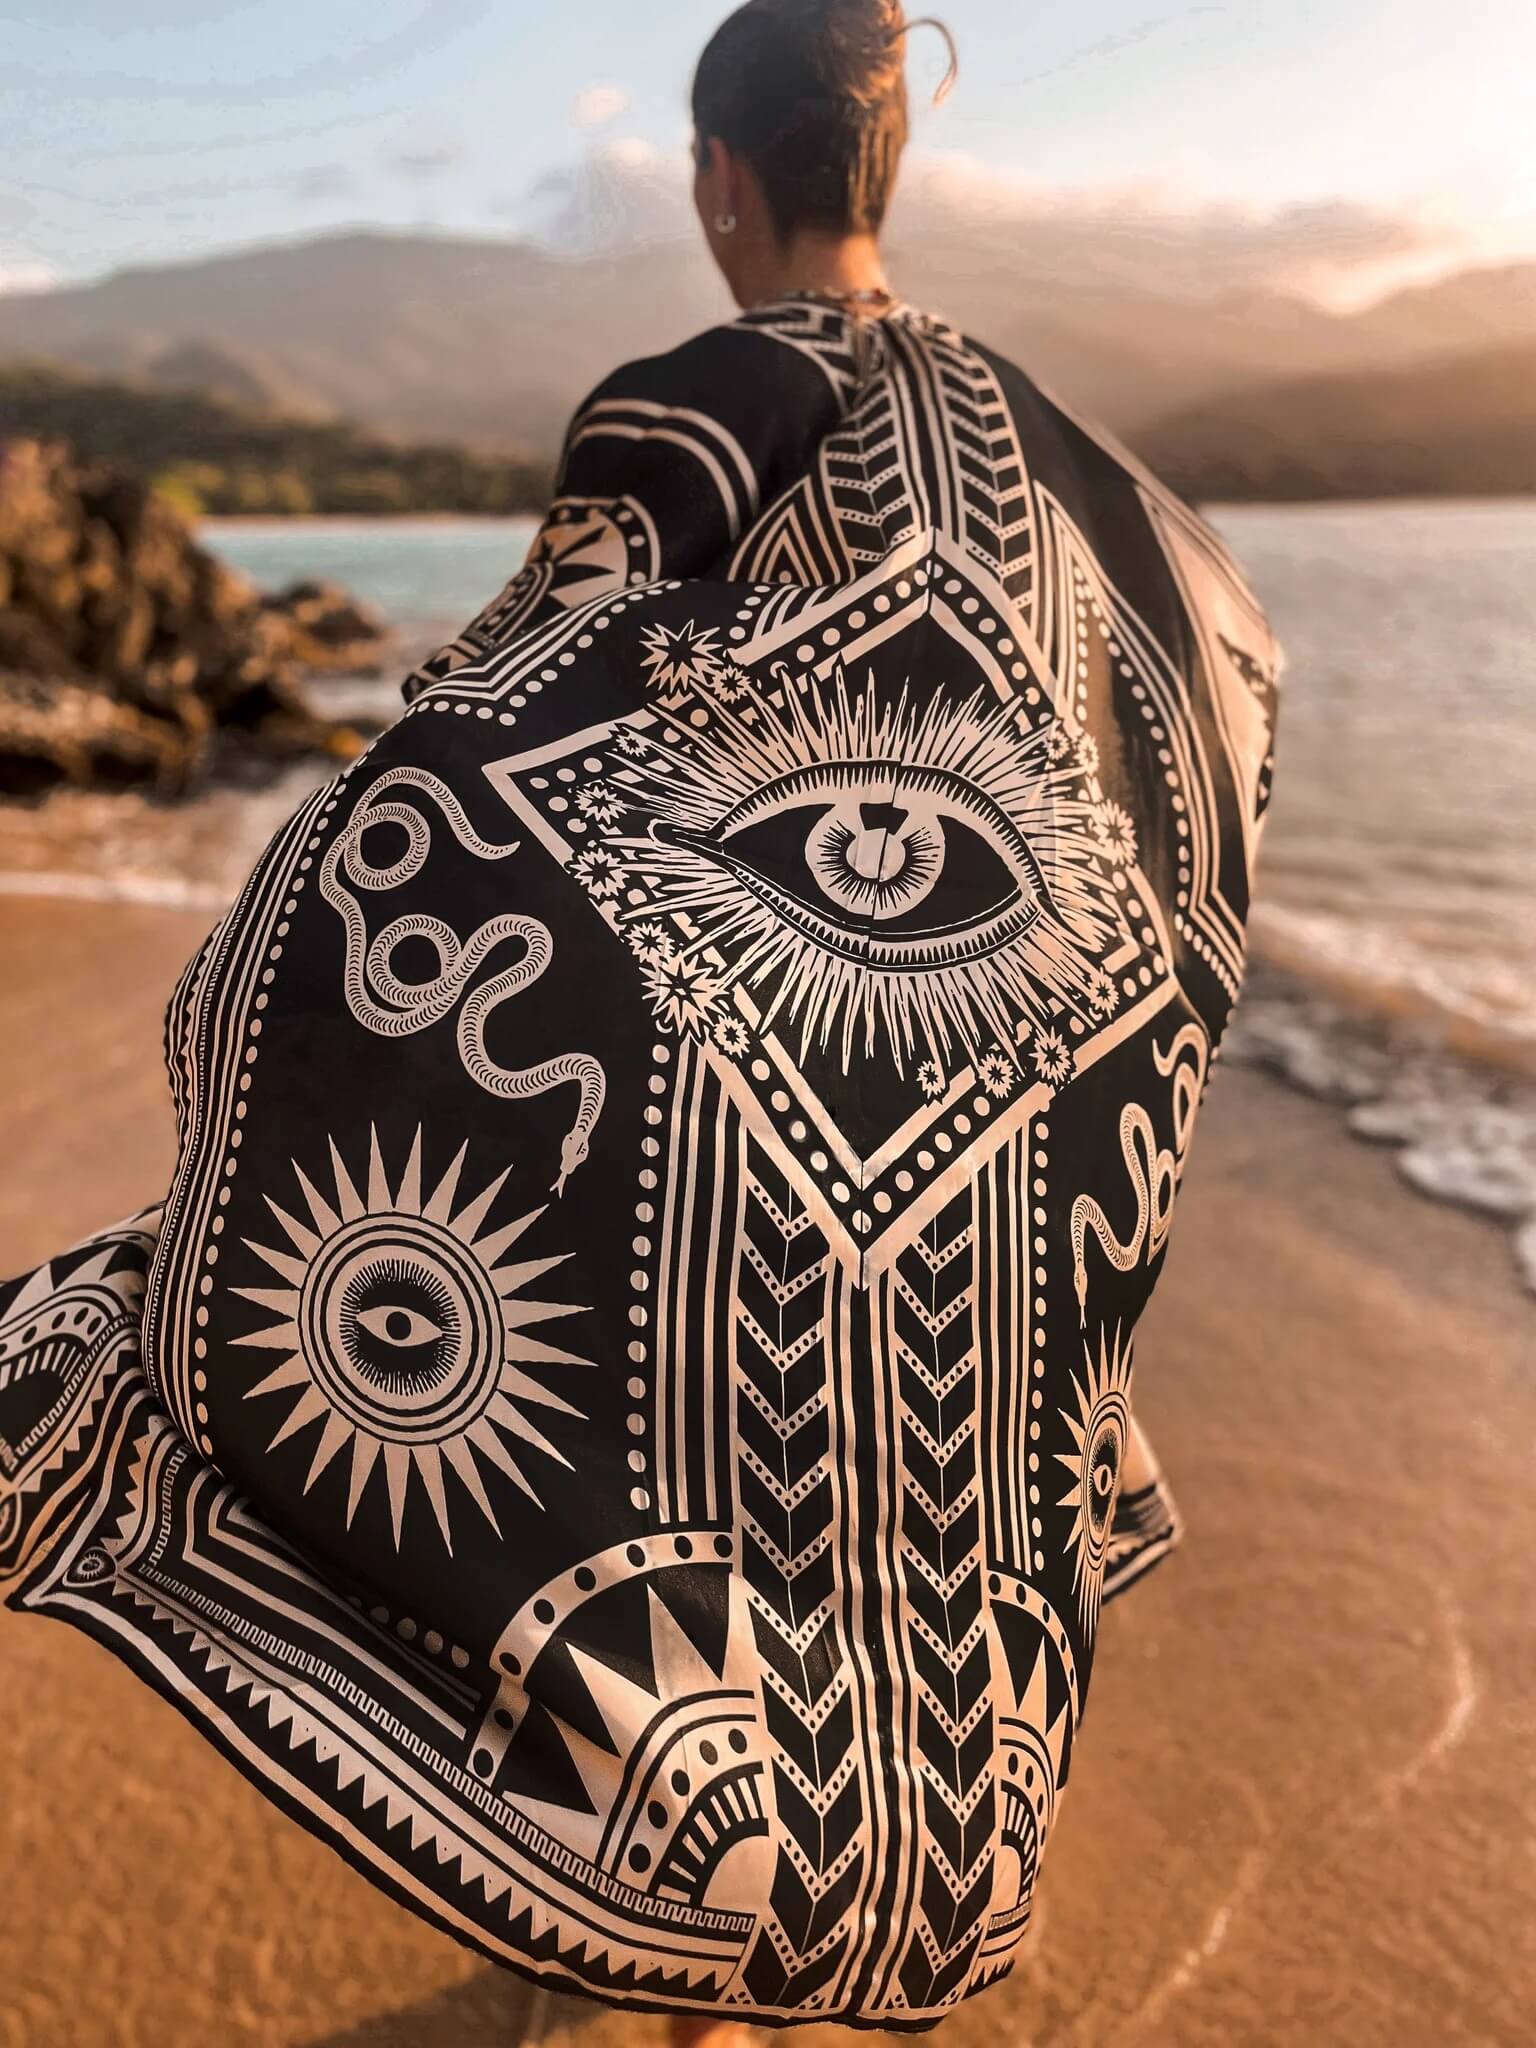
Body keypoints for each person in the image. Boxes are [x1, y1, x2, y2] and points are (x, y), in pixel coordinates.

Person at [0, 0, 1279, 2035]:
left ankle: (628, 1940)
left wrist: (290, 951)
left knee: (639, 1473)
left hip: (739, 1117)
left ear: (718, 180)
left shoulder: (704, 401)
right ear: (885, 166)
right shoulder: (1088, 483)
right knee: (860, 1527)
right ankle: (766, 1958)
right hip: (956, 1150)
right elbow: (1172, 791)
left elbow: (510, 729)